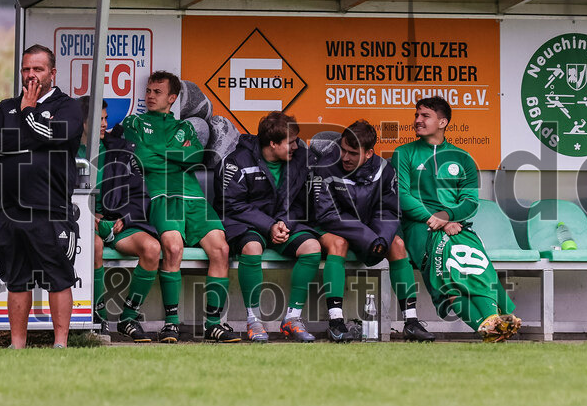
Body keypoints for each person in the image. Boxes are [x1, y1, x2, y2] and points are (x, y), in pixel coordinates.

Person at [117, 71, 238, 342]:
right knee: (172, 247)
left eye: (157, 92)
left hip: (194, 198)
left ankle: (213, 323)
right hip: (163, 196)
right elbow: (142, 157)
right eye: (148, 90)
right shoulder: (134, 122)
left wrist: (160, 152)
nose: (150, 95)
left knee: (221, 249)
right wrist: (174, 153)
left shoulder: (185, 127)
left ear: (172, 98)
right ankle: (171, 323)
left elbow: (196, 157)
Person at [392, 97, 520, 342]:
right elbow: (403, 197)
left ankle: (491, 323)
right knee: (451, 271)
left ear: (442, 122)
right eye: (416, 115)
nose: (418, 120)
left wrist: (448, 216)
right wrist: (436, 219)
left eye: (425, 116)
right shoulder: (404, 153)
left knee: (475, 265)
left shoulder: (462, 158)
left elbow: (470, 202)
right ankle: (490, 324)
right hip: (420, 228)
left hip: (457, 227)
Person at [0, 44, 83, 349]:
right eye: (26, 69)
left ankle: (61, 345)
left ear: (52, 73)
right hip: (8, 209)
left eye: (38, 69)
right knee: (17, 279)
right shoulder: (4, 107)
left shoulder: (70, 107)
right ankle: (17, 346)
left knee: (58, 277)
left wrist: (28, 113)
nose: (31, 75)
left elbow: (55, 135)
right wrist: (33, 134)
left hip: (49, 208)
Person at [310, 120, 435, 342]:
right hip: (330, 226)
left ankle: (411, 321)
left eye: (352, 153)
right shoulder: (325, 166)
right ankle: (336, 322)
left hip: (368, 230)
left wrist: (381, 238)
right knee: (339, 243)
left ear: (368, 154)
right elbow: (327, 215)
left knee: (396, 244)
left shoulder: (384, 169)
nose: (345, 157)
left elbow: (388, 211)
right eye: (343, 149)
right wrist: (369, 237)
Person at [216, 112, 321, 343]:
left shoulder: (302, 158)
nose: (297, 145)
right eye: (290, 142)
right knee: (252, 247)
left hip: (285, 223)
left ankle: (292, 319)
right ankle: (254, 320)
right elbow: (230, 204)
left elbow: (307, 202)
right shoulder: (238, 161)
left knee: (312, 247)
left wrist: (284, 223)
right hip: (246, 223)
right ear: (273, 144)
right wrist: (269, 225)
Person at [77, 96, 161, 342]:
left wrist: (125, 217)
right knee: (94, 246)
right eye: (98, 120)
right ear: (83, 122)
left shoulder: (121, 150)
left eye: (105, 119)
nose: (104, 124)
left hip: (117, 223)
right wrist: (86, 214)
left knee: (152, 248)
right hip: (84, 223)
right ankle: (98, 314)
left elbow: (139, 193)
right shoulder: (67, 152)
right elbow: (59, 192)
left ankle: (129, 317)